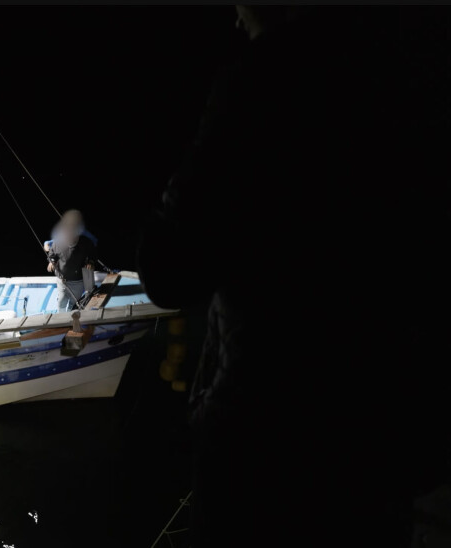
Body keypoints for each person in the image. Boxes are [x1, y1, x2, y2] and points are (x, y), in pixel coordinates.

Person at [136, 7, 449, 547]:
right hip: (382, 427)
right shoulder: (410, 73)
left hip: (269, 432)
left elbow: (169, 269)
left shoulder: (263, 81)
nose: (234, 18)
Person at [45, 209, 97, 312]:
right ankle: (61, 318)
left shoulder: (86, 243)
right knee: (61, 301)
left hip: (78, 281)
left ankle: (72, 314)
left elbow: (93, 255)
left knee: (76, 302)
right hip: (62, 281)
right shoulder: (57, 243)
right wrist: (51, 262)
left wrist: (90, 262)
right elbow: (52, 255)